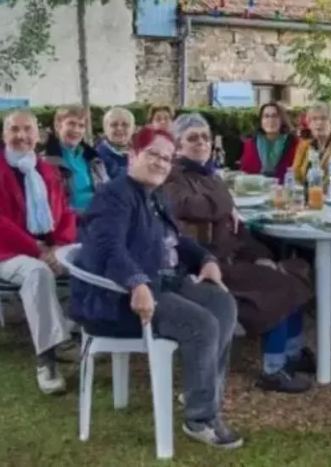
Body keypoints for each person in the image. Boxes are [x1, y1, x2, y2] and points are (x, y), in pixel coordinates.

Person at [74, 126, 243, 449]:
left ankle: (202, 393)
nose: (161, 163)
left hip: (164, 281)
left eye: (167, 158)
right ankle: (200, 418)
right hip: (121, 297)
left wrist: (206, 259)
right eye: (153, 155)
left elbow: (176, 239)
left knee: (223, 304)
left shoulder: (155, 195)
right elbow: (110, 248)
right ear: (133, 155)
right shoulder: (115, 195)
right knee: (201, 324)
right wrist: (135, 282)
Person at [161, 114, 315, 394]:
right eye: (192, 138)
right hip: (201, 264)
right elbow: (191, 207)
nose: (201, 143)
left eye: (206, 137)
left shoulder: (209, 175)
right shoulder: (173, 177)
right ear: (177, 145)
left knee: (294, 269)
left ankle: (291, 355)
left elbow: (237, 230)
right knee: (277, 285)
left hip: (231, 256)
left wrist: (259, 256)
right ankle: (272, 369)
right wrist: (227, 200)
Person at [0, 109, 78, 395]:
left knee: (89, 261)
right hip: (0, 250)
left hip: (47, 248)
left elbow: (64, 213)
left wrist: (59, 246)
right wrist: (37, 250)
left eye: (27, 130)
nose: (21, 136)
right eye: (14, 130)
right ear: (4, 135)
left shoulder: (46, 169)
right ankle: (48, 360)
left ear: (37, 135)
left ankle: (80, 333)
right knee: (38, 273)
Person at [42, 106, 108, 214]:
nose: (76, 130)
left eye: (81, 126)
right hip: (71, 222)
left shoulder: (93, 158)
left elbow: (107, 190)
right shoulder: (47, 161)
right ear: (58, 126)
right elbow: (51, 204)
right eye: (71, 123)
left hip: (99, 217)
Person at [290, 101, 331, 184]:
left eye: (324, 118)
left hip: (329, 193)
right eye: (314, 119)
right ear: (309, 124)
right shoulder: (304, 145)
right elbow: (295, 173)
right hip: (304, 193)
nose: (319, 123)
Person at [238, 102, 299, 179]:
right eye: (266, 116)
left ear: (282, 120)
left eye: (275, 116)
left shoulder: (294, 144)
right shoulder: (250, 145)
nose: (271, 120)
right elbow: (244, 173)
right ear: (261, 121)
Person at [95, 107, 136, 179]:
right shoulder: (97, 157)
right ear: (105, 129)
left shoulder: (141, 153)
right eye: (114, 124)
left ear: (133, 128)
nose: (119, 128)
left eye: (125, 124)